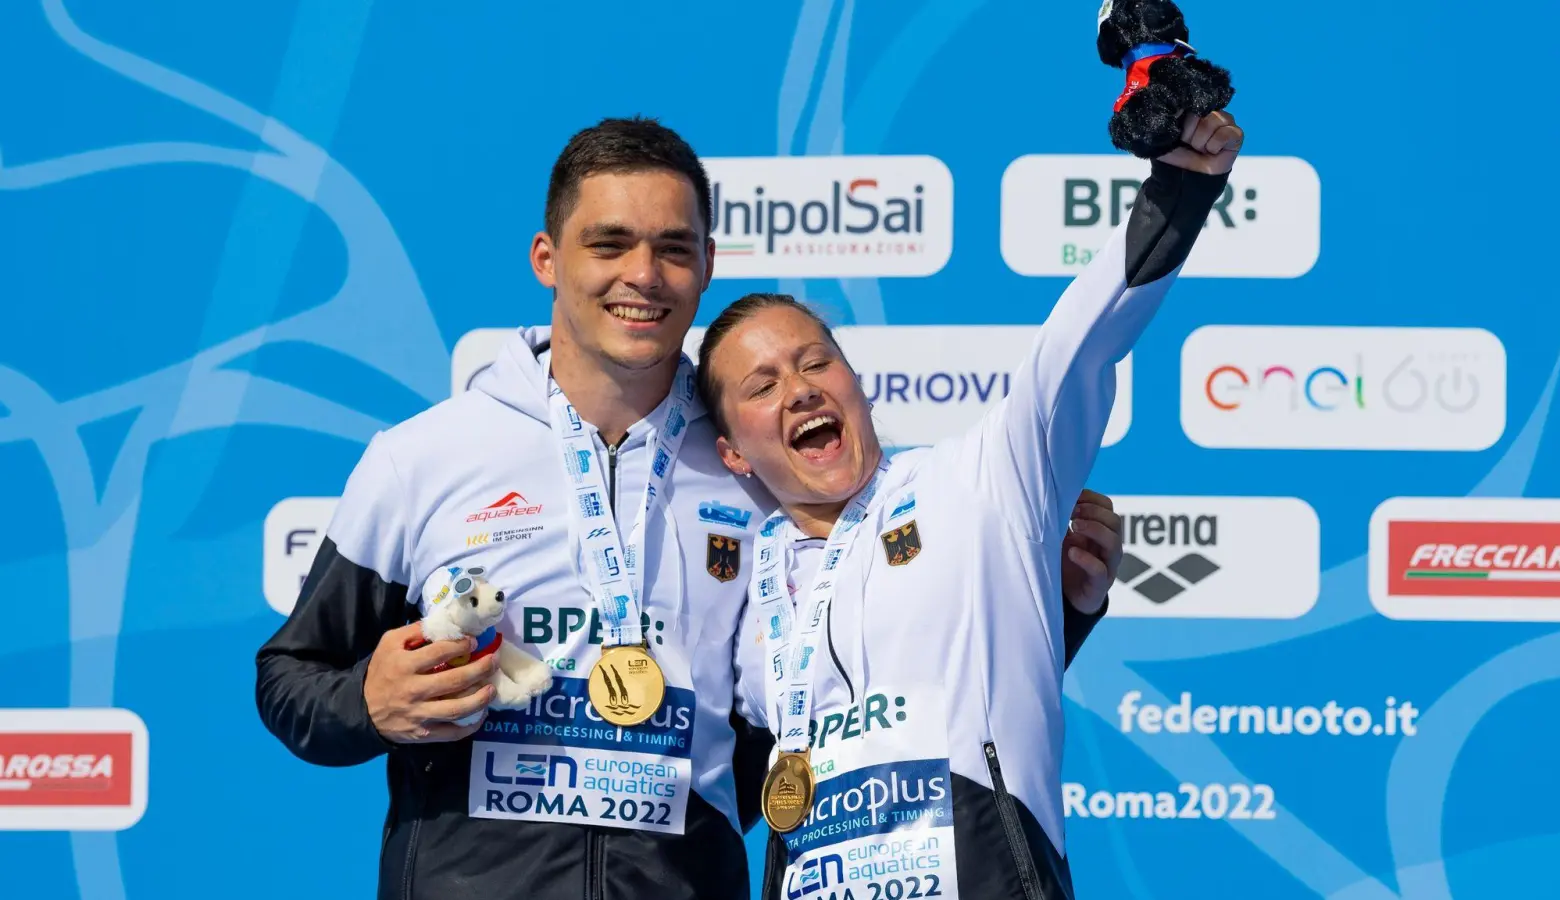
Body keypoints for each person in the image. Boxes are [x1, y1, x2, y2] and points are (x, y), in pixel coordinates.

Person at [254, 116, 1126, 900]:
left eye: (674, 247)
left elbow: (901, 659)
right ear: (547, 259)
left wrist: (1057, 603)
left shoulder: (757, 461)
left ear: (707, 265)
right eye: (610, 243)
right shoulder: (422, 459)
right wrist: (368, 703)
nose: (644, 274)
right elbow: (290, 677)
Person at [704, 112, 1243, 899]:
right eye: (763, 385)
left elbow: (1079, 345)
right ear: (729, 451)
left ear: (856, 381)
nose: (802, 389)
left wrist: (1182, 183)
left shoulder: (979, 481)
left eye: (816, 361)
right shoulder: (742, 592)